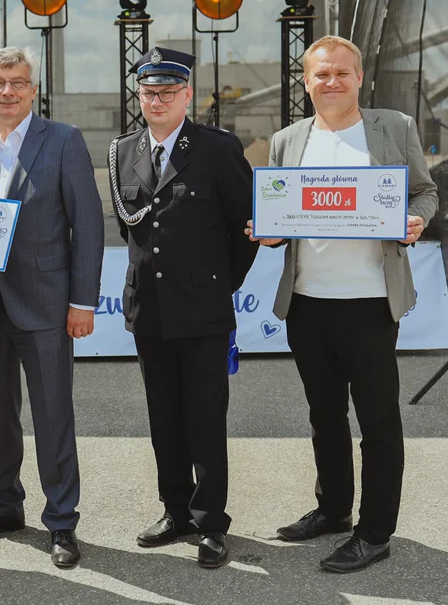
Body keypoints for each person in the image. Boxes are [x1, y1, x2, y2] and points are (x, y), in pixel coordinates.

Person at [245, 35, 438, 573]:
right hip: (307, 303)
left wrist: (414, 221)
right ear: (305, 82)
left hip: (371, 304)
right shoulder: (286, 139)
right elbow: (278, 208)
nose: (331, 82)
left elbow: (425, 191)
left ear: (359, 78)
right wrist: (270, 232)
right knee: (324, 416)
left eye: (341, 73)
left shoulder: (393, 127)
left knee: (377, 422)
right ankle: (333, 510)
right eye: (320, 74)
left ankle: (375, 532)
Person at [109, 47, 259, 568]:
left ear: (187, 94)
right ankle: (174, 511)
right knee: (163, 417)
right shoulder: (123, 151)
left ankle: (211, 523)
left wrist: (215, 285)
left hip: (202, 312)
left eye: (168, 91)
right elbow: (132, 226)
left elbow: (246, 230)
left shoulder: (217, 149)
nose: (157, 100)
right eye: (149, 92)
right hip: (148, 310)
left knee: (204, 418)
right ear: (140, 96)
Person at [0, 46, 104, 568]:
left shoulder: (62, 140)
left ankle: (62, 522)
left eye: (18, 82)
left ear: (33, 90)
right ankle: (5, 506)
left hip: (45, 301)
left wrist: (82, 302)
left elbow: (87, 225)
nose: (8, 91)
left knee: (52, 415)